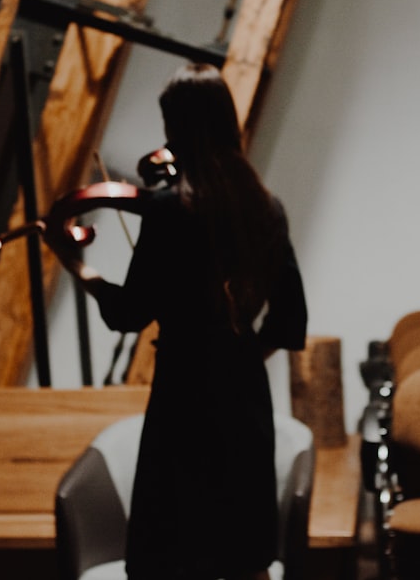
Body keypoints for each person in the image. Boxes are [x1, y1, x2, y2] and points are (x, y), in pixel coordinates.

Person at [45, 62, 308, 580]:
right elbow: (289, 319)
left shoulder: (171, 212)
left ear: (181, 131)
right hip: (244, 397)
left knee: (168, 558)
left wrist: (77, 265)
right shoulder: (267, 208)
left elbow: (127, 314)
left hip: (183, 395)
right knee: (243, 559)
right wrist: (238, 354)